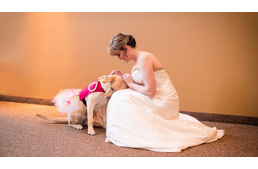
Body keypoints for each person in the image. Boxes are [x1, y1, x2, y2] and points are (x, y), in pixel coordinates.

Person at [105, 32, 224, 152]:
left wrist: (130, 83)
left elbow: (150, 91)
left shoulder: (144, 59)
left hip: (164, 99)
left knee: (121, 97)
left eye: (119, 54)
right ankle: (129, 131)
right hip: (156, 96)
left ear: (125, 48)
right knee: (120, 96)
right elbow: (141, 83)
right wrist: (124, 77)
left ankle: (129, 132)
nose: (120, 58)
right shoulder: (138, 60)